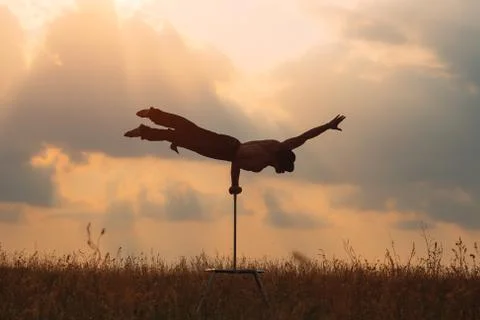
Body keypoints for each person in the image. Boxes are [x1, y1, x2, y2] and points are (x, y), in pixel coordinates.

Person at [124, 107, 346, 195]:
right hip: (226, 150)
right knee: (187, 132)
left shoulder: (282, 146)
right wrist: (234, 183)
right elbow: (237, 161)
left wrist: (327, 126)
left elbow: (306, 136)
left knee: (186, 134)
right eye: (282, 169)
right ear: (279, 162)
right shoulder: (261, 159)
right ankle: (150, 119)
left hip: (228, 145)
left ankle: (147, 126)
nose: (280, 173)